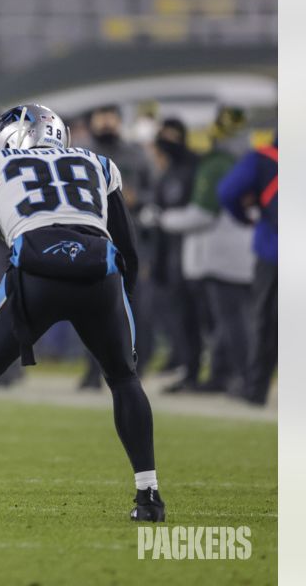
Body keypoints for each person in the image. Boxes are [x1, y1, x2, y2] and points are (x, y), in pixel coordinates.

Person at [0, 104, 164, 522]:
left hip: (34, 277)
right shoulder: (100, 163)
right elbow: (127, 249)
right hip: (99, 277)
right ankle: (149, 499)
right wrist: (121, 301)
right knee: (125, 380)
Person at [142, 107, 255, 395]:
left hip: (220, 257)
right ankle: (223, 375)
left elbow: (203, 213)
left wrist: (162, 219)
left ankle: (244, 378)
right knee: (223, 323)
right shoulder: (225, 162)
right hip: (224, 255)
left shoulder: (214, 165)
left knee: (228, 322)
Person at [76, 104, 156, 389]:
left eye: (112, 117)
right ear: (93, 120)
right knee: (91, 308)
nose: (107, 122)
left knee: (134, 306)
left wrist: (138, 199)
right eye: (102, 116)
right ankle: (92, 372)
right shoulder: (80, 155)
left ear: (120, 122)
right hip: (93, 238)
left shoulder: (136, 154)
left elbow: (153, 192)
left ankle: (135, 367)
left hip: (130, 239)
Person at [217, 136, 277, 405]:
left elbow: (227, 192)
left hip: (274, 248)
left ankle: (256, 388)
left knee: (267, 321)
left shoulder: (264, 158)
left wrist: (245, 217)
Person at [143, 120, 204, 383]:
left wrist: (162, 218)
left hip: (188, 253)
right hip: (165, 254)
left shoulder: (192, 169)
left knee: (193, 316)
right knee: (175, 315)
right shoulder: (167, 173)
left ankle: (193, 368)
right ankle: (185, 365)